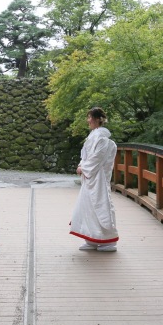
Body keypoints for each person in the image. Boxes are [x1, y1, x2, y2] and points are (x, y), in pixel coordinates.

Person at [69, 107, 119, 252]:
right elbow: (85, 156)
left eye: (90, 117)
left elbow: (97, 158)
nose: (88, 120)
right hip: (89, 178)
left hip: (98, 179)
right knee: (87, 207)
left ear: (98, 119)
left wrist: (83, 168)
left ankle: (108, 241)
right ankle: (91, 238)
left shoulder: (103, 139)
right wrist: (81, 164)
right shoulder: (92, 136)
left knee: (101, 206)